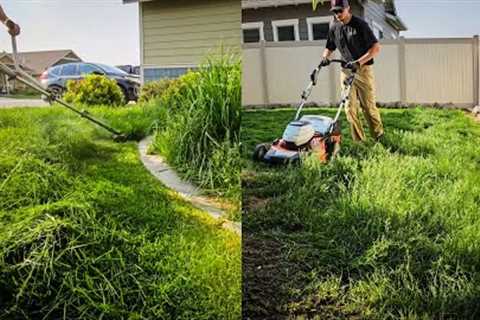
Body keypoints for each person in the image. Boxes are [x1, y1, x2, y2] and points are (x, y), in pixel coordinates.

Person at [319, 0, 384, 142]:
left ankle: (379, 136)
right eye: (334, 11)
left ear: (348, 8)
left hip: (363, 70)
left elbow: (376, 48)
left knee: (368, 107)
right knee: (349, 108)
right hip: (346, 71)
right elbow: (329, 46)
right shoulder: (334, 27)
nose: (337, 14)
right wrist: (325, 57)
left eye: (340, 11)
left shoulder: (360, 25)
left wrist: (358, 63)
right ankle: (359, 141)